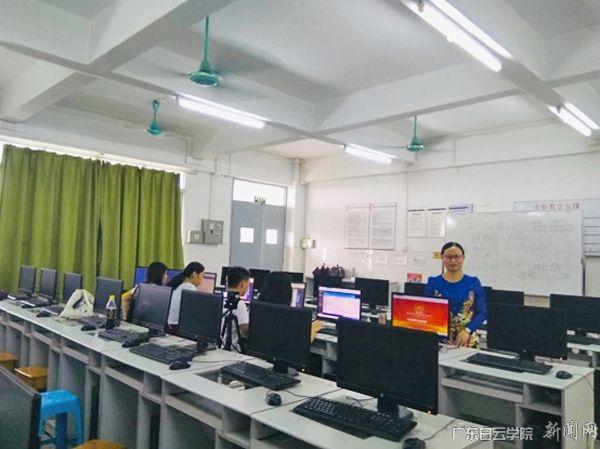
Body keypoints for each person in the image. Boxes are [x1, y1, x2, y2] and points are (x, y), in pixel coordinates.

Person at [425, 242, 487, 348]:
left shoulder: (473, 282)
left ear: (463, 258)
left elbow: (482, 313)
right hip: (440, 340)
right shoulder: (433, 282)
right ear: (442, 258)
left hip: (467, 339)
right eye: (449, 257)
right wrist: (441, 338)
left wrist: (468, 330)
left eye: (457, 256)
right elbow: (427, 312)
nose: (453, 260)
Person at [258, 271, 322, 341]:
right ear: (287, 291)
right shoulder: (293, 317)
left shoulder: (257, 311)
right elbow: (304, 339)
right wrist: (315, 326)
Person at [166, 262, 205, 331]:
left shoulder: (180, 285)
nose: (202, 279)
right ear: (194, 274)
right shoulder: (191, 288)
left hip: (169, 326)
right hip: (176, 328)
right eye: (202, 276)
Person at [222, 266, 250, 352]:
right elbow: (245, 331)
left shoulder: (220, 300)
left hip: (219, 346)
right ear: (242, 284)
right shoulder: (239, 304)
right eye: (248, 284)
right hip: (232, 351)